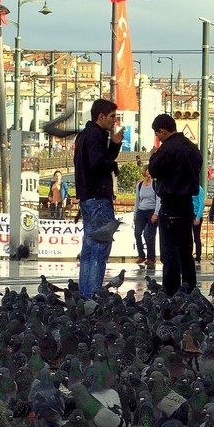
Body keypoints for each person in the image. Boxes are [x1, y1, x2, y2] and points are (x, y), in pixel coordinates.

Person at [147, 113, 202, 295]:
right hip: (187, 205)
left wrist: (153, 156)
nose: (158, 139)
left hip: (170, 205)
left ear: (162, 131)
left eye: (157, 135)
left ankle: (171, 293)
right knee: (186, 252)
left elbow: (154, 169)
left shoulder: (167, 149)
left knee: (170, 253)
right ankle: (189, 290)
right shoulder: (193, 148)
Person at [74, 98, 123, 298]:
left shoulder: (84, 135)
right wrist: (113, 165)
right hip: (98, 198)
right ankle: (93, 293)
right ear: (100, 116)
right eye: (112, 117)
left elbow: (98, 159)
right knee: (100, 248)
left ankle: (85, 292)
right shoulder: (96, 135)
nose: (114, 121)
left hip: (87, 197)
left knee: (88, 248)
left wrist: (115, 145)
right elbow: (97, 163)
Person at [133, 167, 160, 270]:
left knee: (149, 235)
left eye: (150, 171)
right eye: (147, 170)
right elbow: (137, 200)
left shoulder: (155, 184)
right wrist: (135, 214)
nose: (148, 173)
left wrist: (156, 213)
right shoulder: (139, 185)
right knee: (137, 232)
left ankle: (151, 258)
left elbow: (158, 200)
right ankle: (141, 255)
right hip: (141, 211)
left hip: (152, 211)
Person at [192, 179, 206, 264]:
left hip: (196, 215)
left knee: (196, 237)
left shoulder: (199, 189)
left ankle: (198, 256)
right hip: (188, 214)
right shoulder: (187, 189)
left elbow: (201, 204)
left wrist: (198, 217)